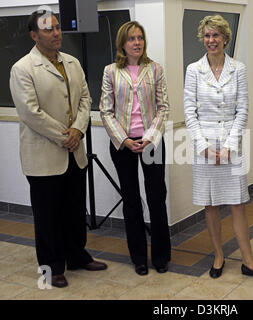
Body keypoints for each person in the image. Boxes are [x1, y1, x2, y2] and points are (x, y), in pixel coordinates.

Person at [9, 10, 108, 288]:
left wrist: (78, 129)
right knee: (48, 215)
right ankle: (51, 267)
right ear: (34, 35)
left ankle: (76, 256)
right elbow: (30, 113)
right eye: (48, 30)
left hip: (73, 153)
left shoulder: (73, 63)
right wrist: (65, 136)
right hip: (44, 155)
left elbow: (85, 99)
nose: (56, 34)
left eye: (57, 28)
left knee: (75, 210)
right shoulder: (23, 68)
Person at [184, 15, 253, 281]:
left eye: (216, 35)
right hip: (203, 144)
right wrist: (202, 146)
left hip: (230, 144)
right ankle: (218, 256)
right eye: (207, 35)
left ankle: (249, 260)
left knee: (237, 203)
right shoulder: (194, 69)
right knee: (210, 204)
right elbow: (190, 111)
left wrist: (229, 146)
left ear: (226, 38)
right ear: (203, 39)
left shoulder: (239, 68)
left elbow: (242, 109)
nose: (211, 40)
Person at [99, 21, 171, 276]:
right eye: (131, 39)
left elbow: (163, 107)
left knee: (156, 198)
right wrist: (124, 139)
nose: (137, 43)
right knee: (131, 201)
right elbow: (105, 111)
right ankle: (139, 257)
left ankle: (161, 257)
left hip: (152, 143)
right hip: (123, 144)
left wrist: (150, 137)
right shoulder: (110, 72)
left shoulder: (155, 70)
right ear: (123, 43)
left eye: (140, 38)